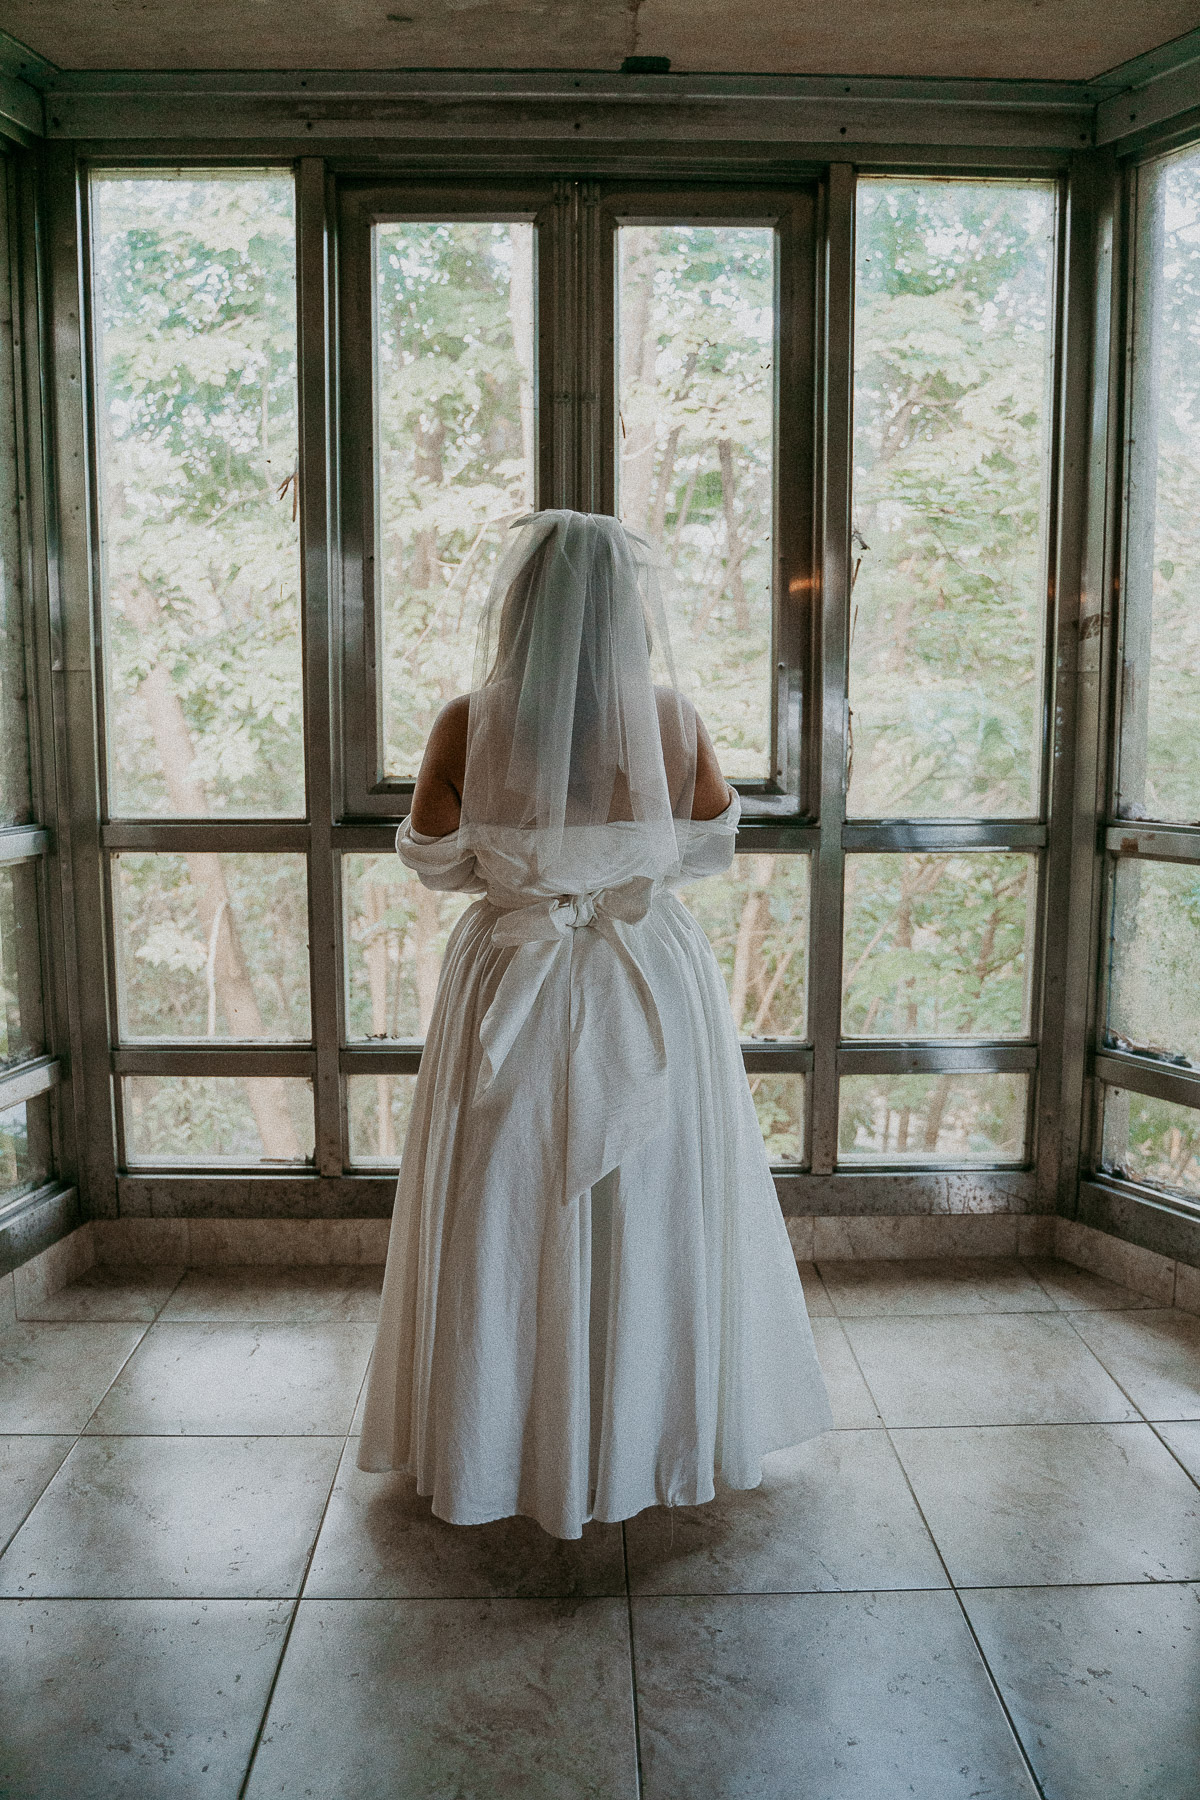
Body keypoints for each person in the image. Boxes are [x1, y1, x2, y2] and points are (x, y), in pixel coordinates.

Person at [357, 509, 832, 1539]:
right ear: (629, 614)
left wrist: (529, 868)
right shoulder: (672, 720)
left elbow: (433, 859)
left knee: (504, 1196)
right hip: (641, 972)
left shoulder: (464, 721)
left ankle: (496, 1441)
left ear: (518, 609)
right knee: (653, 1196)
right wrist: (613, 864)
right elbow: (708, 844)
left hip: (512, 972)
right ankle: (642, 1429)